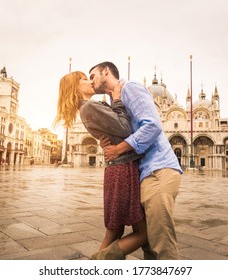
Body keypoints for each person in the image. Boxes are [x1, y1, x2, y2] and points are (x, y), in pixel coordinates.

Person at [89, 61, 183, 260]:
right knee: (149, 243)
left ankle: (99, 261)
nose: (91, 82)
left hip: (158, 169)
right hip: (142, 174)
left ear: (106, 71)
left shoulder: (129, 88)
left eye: (93, 76)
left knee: (161, 243)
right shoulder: (116, 99)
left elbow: (152, 126)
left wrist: (117, 149)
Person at [53, 71, 147, 260]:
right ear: (75, 88)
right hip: (123, 170)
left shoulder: (88, 107)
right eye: (84, 79)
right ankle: (97, 263)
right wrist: (118, 98)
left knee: (114, 231)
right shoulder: (89, 107)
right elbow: (125, 128)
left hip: (119, 168)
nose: (90, 81)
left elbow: (116, 128)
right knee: (143, 234)